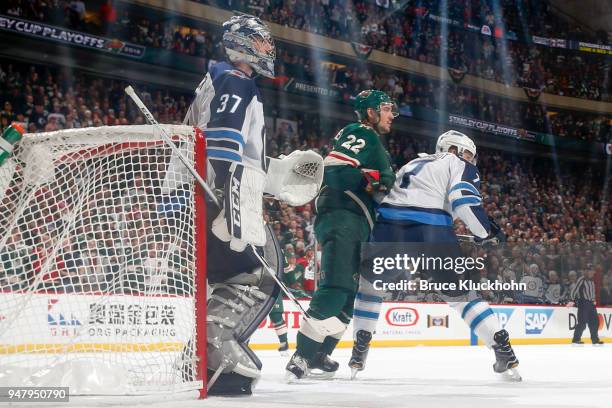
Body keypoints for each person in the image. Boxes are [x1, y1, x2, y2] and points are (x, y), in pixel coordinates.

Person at [349, 130, 521, 381]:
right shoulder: (457, 162)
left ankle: (359, 348)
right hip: (432, 228)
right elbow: (463, 201)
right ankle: (501, 346)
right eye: (469, 154)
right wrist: (486, 232)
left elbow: (384, 196)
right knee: (460, 294)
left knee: (371, 288)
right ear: (454, 150)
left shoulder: (412, 163)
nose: (470, 160)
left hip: (389, 226)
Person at [180, 14, 279, 395]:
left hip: (202, 194)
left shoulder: (213, 79)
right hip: (220, 193)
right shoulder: (237, 80)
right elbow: (223, 141)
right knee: (260, 271)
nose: (269, 49)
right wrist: (228, 200)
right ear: (246, 43)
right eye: (264, 42)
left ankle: (200, 358)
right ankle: (217, 356)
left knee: (226, 276)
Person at [285, 90, 398, 380]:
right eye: (386, 109)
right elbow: (333, 169)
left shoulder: (372, 141)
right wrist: (373, 180)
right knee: (336, 287)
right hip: (343, 218)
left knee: (347, 296)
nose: (391, 115)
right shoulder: (360, 132)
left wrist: (379, 182)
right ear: (370, 112)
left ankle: (320, 354)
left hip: (355, 221)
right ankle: (301, 355)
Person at [568, 267, 603, 345]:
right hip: (583, 303)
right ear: (586, 271)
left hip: (591, 304)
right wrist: (572, 300)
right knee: (582, 323)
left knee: (595, 322)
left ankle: (595, 340)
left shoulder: (592, 281)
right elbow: (574, 290)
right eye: (590, 271)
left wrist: (594, 300)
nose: (591, 272)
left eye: (592, 271)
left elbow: (592, 292)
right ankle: (576, 339)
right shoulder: (582, 279)